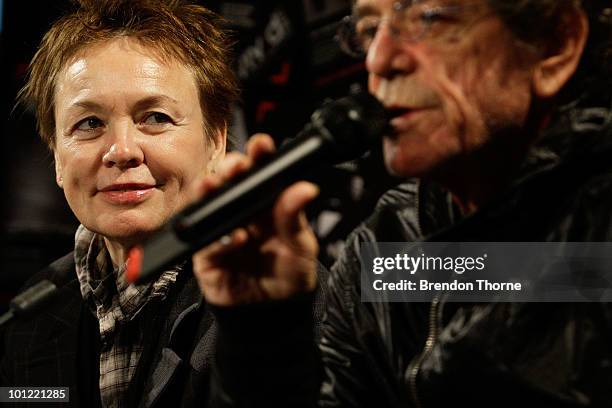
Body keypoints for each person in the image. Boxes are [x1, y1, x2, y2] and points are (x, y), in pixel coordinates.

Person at [192, 0, 612, 407]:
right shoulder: (383, 248)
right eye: (369, 31)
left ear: (555, 46)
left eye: (429, 17)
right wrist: (264, 337)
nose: (378, 59)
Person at [1, 1, 326, 407]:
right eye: (89, 124)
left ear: (216, 143)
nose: (121, 150)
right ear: (56, 158)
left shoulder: (282, 296)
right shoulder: (31, 310)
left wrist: (260, 333)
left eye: (155, 117)